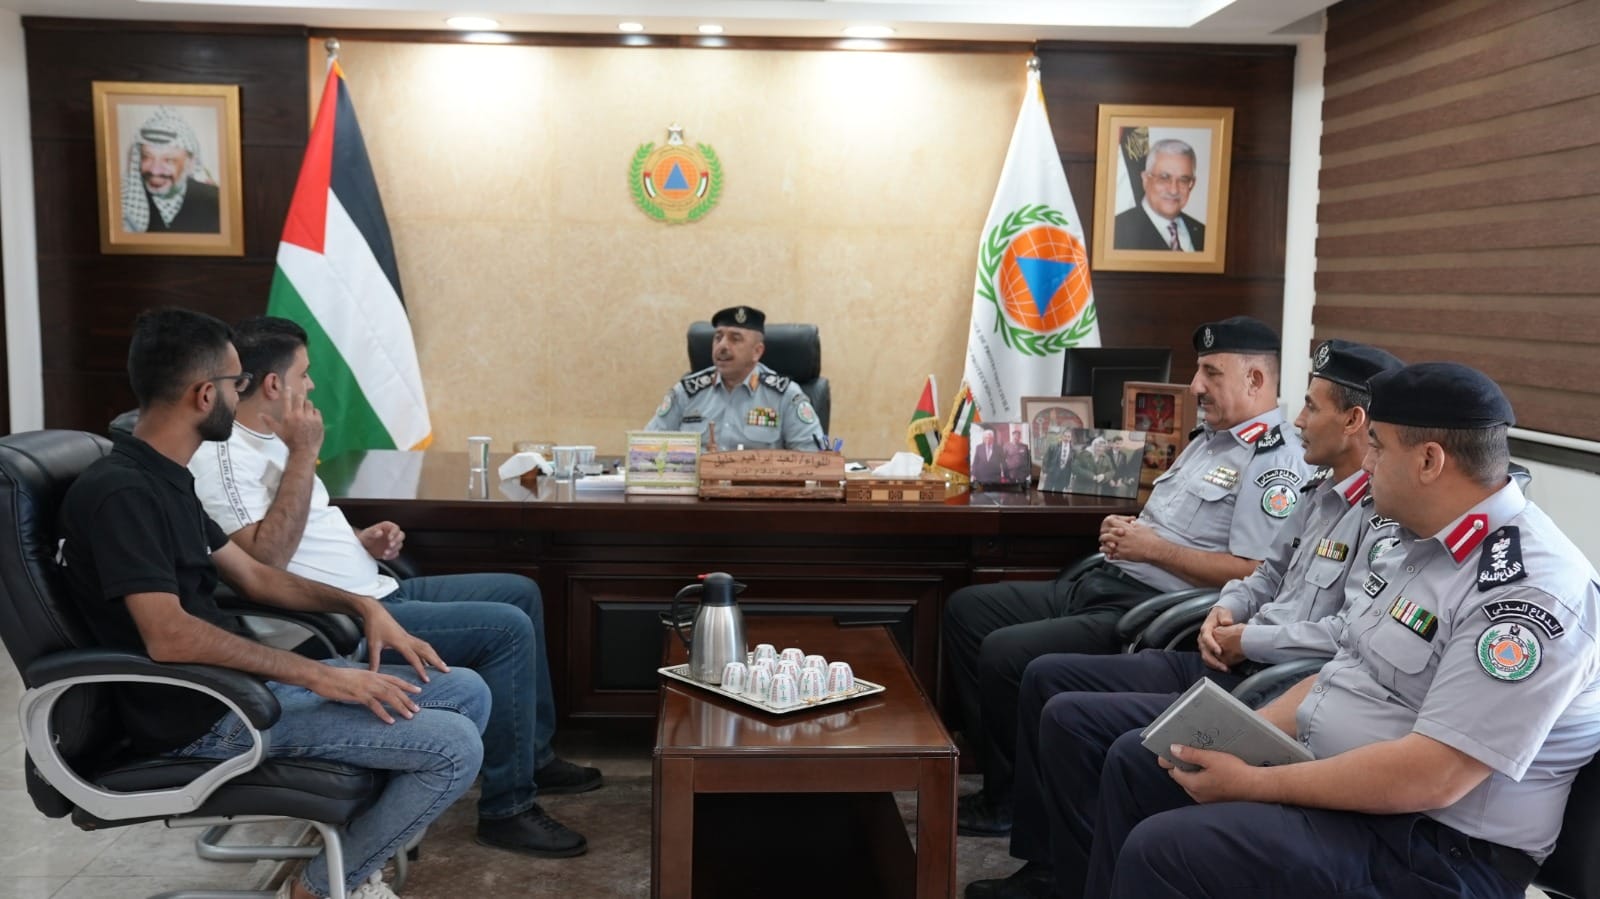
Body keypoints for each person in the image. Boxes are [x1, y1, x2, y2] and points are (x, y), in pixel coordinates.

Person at [1083, 362, 1597, 899]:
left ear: (1429, 461)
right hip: (1358, 794)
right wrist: (1241, 736)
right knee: (1142, 764)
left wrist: (1256, 783)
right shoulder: (1420, 544)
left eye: (1377, 447)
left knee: (1166, 850)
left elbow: (1436, 775)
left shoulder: (1527, 595)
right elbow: (1345, 669)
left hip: (1438, 850)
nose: (1366, 462)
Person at [58, 309, 487, 899]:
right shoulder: (123, 494)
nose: (243, 395)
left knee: (466, 690)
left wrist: (363, 607)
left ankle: (356, 859)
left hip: (240, 690)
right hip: (202, 719)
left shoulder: (167, 478)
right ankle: (319, 887)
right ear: (204, 394)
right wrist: (319, 676)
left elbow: (257, 579)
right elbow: (168, 634)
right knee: (453, 746)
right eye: (236, 383)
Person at [966, 339, 1404, 899]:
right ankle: (1057, 874)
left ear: (1353, 421)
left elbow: (1347, 635)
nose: (1297, 419)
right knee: (1054, 690)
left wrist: (1251, 637)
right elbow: (1266, 574)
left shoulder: (1383, 519)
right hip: (1226, 656)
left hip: (1270, 682)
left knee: (1105, 736)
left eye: (1311, 407)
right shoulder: (1319, 493)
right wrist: (1227, 608)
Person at [188, 316, 599, 860]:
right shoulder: (225, 457)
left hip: (377, 588)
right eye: (304, 375)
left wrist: (362, 539)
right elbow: (264, 563)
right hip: (335, 622)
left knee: (520, 591)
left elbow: (302, 525)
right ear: (273, 384)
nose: (311, 385)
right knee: (507, 628)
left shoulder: (277, 437)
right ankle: (507, 807)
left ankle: (531, 756)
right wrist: (305, 454)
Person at [945, 316, 1311, 837]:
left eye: (1211, 373)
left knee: (1007, 652)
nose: (1195, 386)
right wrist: (1128, 529)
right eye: (1198, 371)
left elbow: (1255, 571)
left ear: (1255, 380)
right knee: (967, 609)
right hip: (1104, 578)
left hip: (1147, 609)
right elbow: (1173, 526)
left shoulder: (1275, 462)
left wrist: (1152, 548)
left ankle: (1016, 809)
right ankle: (1002, 781)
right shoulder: (1209, 440)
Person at [644, 305, 823, 451]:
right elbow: (647, 448)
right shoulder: (686, 392)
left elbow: (813, 460)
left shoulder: (785, 396)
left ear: (757, 352)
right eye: (718, 337)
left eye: (735, 339)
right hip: (699, 484)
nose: (722, 346)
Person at [120, 106, 220, 234]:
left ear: (190, 164)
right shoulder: (124, 201)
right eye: (147, 157)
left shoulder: (216, 200)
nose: (155, 170)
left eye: (168, 160)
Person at [1112, 139, 1204, 252]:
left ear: (1192, 184)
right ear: (1145, 180)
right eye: (1164, 178)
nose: (1173, 190)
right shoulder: (1117, 230)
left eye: (1183, 180)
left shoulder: (1203, 233)